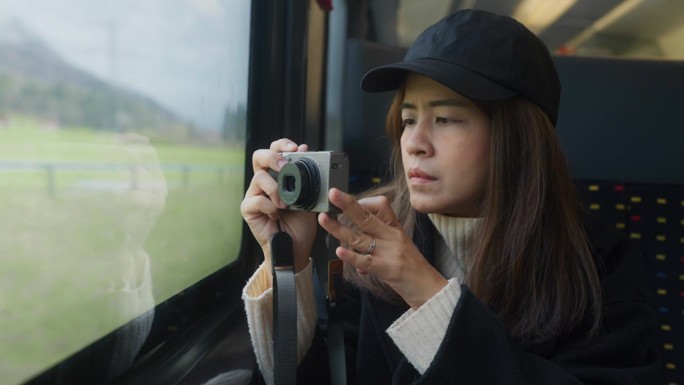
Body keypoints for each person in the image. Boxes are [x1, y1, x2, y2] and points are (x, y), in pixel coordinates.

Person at [240, 9, 661, 385]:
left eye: (445, 118)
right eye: (407, 119)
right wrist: (287, 266)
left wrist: (426, 292)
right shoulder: (368, 239)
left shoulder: (600, 263)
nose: (415, 143)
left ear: (516, 140)